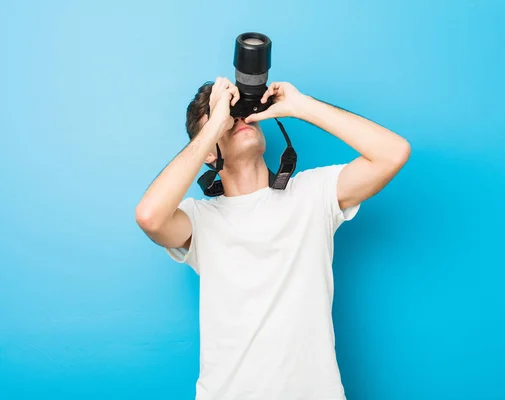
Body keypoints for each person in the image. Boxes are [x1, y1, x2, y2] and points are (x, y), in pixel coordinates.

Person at [135, 76, 411, 400]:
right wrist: (213, 127)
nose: (237, 119)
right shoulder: (199, 219)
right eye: (227, 116)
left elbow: (393, 153)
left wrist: (302, 106)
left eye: (240, 111)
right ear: (209, 152)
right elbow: (149, 217)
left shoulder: (313, 194)